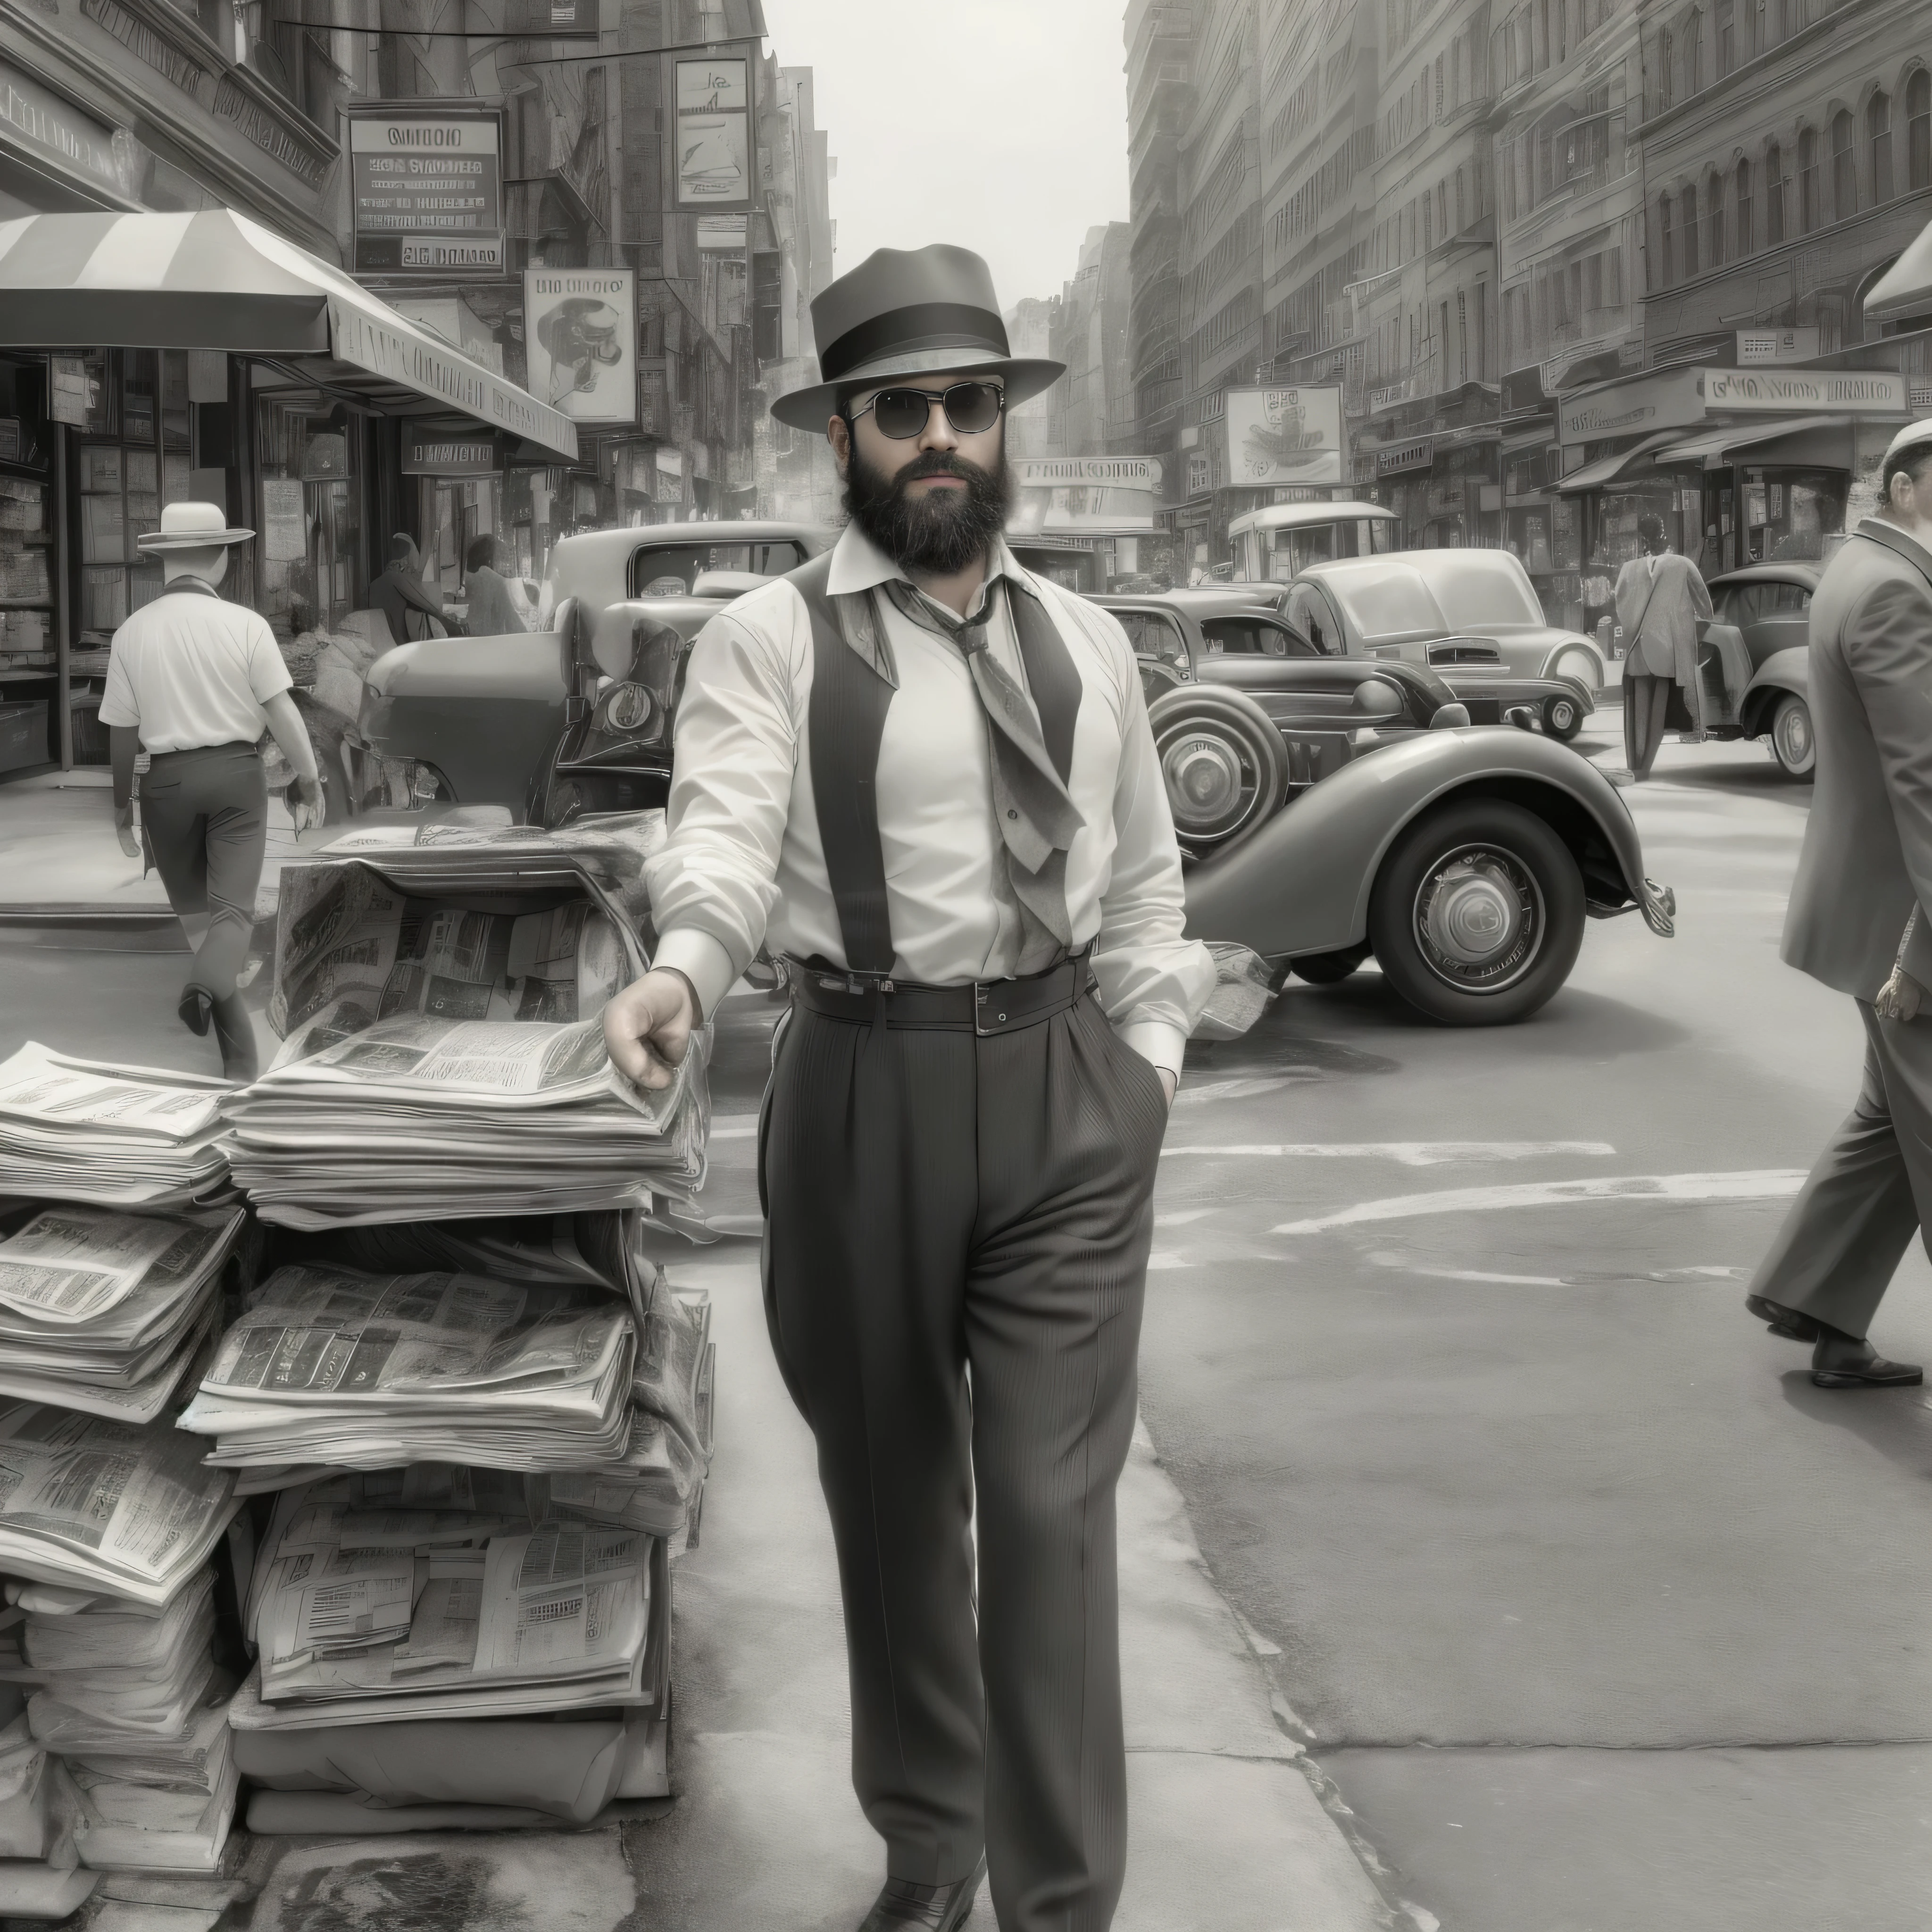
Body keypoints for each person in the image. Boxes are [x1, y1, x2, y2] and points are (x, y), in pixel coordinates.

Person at [602, 243, 1215, 1932]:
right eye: (900, 412)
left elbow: (1147, 884)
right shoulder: (766, 641)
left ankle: (1061, 1903)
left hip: (1069, 1097)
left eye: (964, 403)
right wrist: (682, 969)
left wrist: (1146, 1066)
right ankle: (932, 1843)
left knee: (1043, 1517)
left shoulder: (1090, 641)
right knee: (889, 1499)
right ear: (846, 438)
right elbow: (719, 834)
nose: (936, 436)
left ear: (1001, 424)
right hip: (860, 1088)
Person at [1741, 417, 1932, 1389]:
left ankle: (1813, 1294)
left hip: (1868, 907)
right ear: (1904, 488)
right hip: (1906, 929)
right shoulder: (1897, 591)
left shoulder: (1855, 573)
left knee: (1888, 1125)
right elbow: (1923, 779)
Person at [98, 501, 324, 1082]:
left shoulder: (130, 633)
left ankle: (240, 1067)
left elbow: (121, 737)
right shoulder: (246, 626)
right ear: (221, 557)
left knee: (205, 927)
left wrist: (121, 807)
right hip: (235, 779)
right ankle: (202, 988)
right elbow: (282, 715)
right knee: (232, 920)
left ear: (165, 560)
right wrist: (310, 778)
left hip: (164, 787)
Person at [1613, 512, 1714, 778]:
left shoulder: (1629, 568)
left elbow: (1620, 606)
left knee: (1638, 713)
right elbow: (1706, 608)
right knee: (1659, 710)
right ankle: (1645, 770)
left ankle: (1635, 766)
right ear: (1665, 535)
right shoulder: (1683, 564)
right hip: (1668, 649)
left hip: (1637, 648)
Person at [369, 533, 457, 646]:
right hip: (400, 647)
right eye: (410, 568)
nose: (412, 572)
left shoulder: (376, 584)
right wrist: (449, 624)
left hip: (388, 645)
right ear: (403, 564)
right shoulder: (394, 579)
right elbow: (427, 605)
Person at [461, 534, 525, 635]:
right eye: (503, 558)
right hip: (490, 645)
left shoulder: (465, 580)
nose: (508, 565)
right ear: (490, 560)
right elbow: (514, 624)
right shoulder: (494, 581)